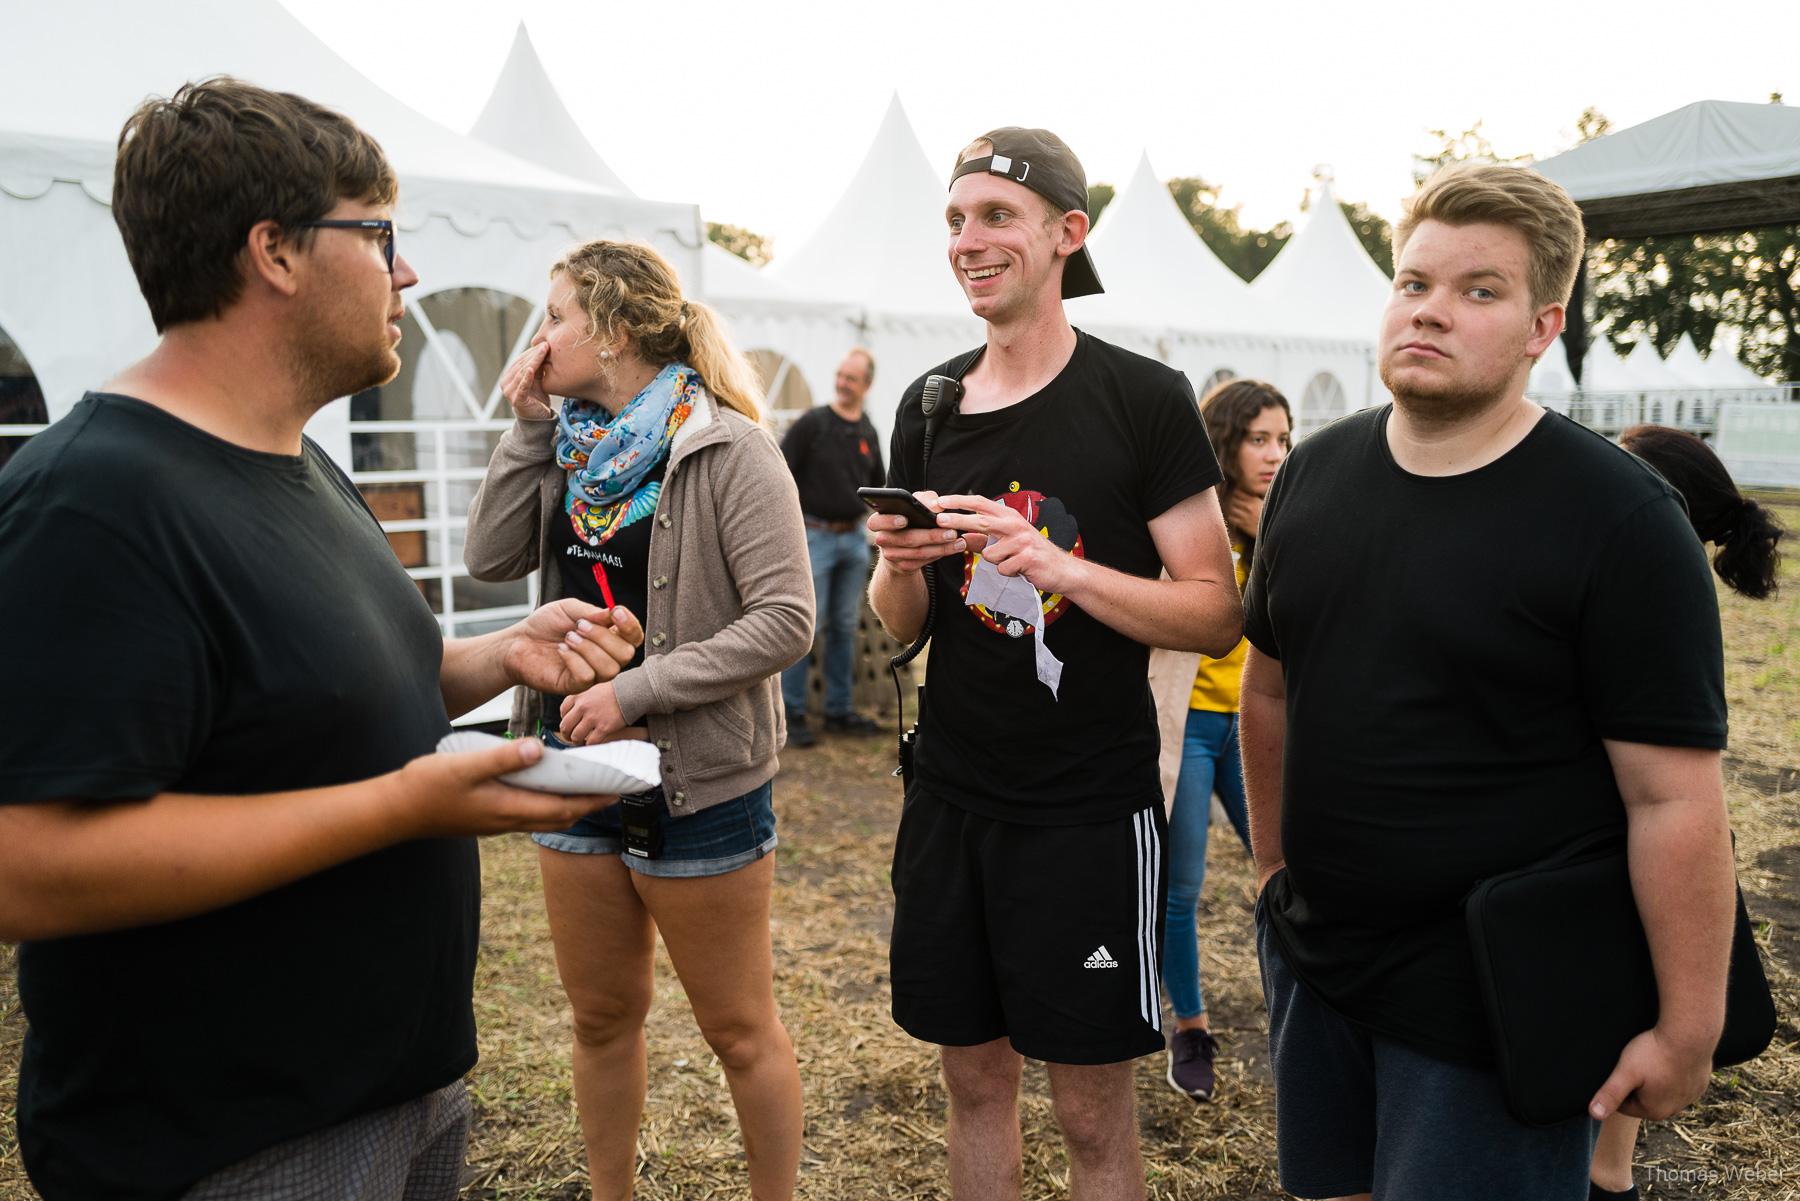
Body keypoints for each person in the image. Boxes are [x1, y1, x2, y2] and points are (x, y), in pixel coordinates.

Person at [0, 78, 640, 1201]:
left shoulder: (297, 459)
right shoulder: (93, 502)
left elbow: (326, 692)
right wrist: (402, 807)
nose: (406, 272)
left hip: (395, 1090)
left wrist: (501, 657)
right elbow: (28, 865)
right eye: (379, 232)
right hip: (228, 1146)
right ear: (275, 253)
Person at [1240, 161, 1737, 1201]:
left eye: (1479, 290)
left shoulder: (1622, 519)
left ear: (1540, 327)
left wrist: (1690, 1028)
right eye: (1414, 283)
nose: (1431, 310)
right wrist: (1274, 868)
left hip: (1497, 993)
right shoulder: (1310, 477)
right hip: (1320, 962)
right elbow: (1273, 687)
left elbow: (1673, 795)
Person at [867, 127, 1242, 1201]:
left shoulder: (1143, 397)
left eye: (995, 216)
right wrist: (900, 564)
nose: (968, 240)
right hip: (950, 796)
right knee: (973, 1083)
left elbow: (1217, 613)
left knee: (1089, 1110)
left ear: (1067, 235)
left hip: (1085, 807)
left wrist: (1057, 568)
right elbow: (906, 624)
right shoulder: (929, 404)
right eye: (954, 219)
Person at [464, 238, 813, 1201]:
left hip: (699, 777)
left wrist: (637, 690)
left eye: (557, 319)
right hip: (572, 773)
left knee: (739, 1028)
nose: (542, 339)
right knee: (601, 1016)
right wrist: (527, 426)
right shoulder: (570, 444)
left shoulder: (730, 447)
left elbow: (787, 620)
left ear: (614, 329)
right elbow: (491, 558)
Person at [1586, 423, 1785, 1201]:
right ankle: (1611, 1172)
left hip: (1620, 834)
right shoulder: (1661, 576)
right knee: (1627, 1001)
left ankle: (1607, 1173)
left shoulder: (1647, 589)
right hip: (1629, 835)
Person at [1152, 379, 1290, 1103]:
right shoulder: (1186, 516)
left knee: (1290, 867)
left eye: (1282, 439)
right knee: (1183, 889)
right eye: (1258, 438)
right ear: (1226, 440)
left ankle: (1311, 1007)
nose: (1273, 454)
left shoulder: (1286, 513)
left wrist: (1270, 531)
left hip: (1257, 720)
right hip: (1192, 725)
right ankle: (1191, 1028)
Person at [779, 347, 887, 746]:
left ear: (867, 386)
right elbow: (779, 473)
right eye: (840, 375)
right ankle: (792, 711)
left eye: (852, 378)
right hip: (815, 537)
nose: (843, 383)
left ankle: (839, 711)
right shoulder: (813, 424)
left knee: (843, 627)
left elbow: (879, 484)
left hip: (853, 540)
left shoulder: (867, 431)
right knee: (807, 626)